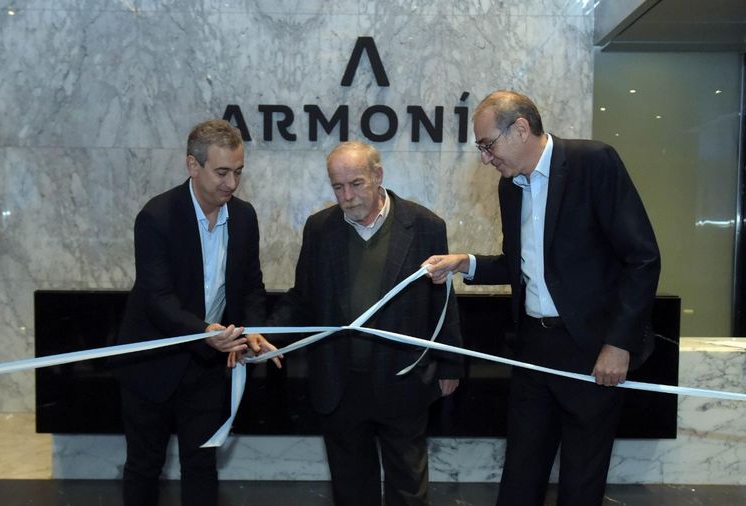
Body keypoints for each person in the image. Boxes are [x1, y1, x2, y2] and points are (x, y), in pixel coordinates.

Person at [423, 90, 661, 506]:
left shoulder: (594, 162)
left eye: (487, 145)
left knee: (580, 484)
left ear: (520, 129)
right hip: (534, 349)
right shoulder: (510, 187)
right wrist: (465, 263)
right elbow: (520, 265)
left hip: (592, 351)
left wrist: (618, 344)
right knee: (520, 476)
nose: (485, 159)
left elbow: (642, 259)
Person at [269, 141, 464, 506]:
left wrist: (451, 363)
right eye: (338, 187)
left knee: (408, 488)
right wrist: (270, 335)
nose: (347, 196)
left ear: (378, 176)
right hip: (339, 382)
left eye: (356, 184)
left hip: (403, 379)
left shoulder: (425, 225)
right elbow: (302, 297)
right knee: (351, 489)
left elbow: (442, 299)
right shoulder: (319, 228)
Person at [116, 119, 279, 506]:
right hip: (152, 363)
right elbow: (157, 298)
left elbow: (251, 286)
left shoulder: (244, 217)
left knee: (202, 465)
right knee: (144, 465)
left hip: (207, 367)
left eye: (238, 172)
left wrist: (252, 330)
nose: (231, 183)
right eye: (222, 172)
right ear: (193, 165)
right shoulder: (157, 217)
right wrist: (205, 331)